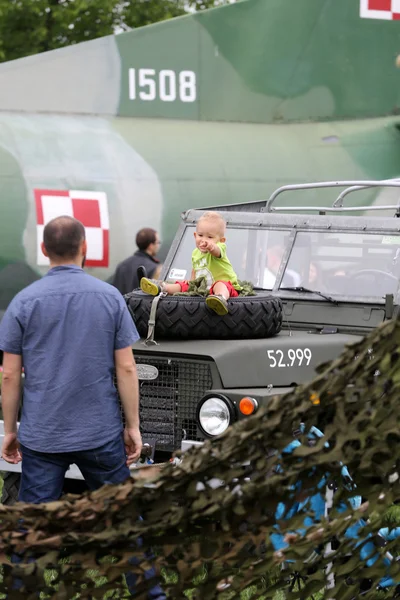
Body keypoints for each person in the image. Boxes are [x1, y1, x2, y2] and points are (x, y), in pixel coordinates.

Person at [0, 215, 165, 599]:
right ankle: (150, 594)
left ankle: (22, 593)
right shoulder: (109, 297)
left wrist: (11, 430)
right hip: (100, 434)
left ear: (44, 251)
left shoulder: (23, 302)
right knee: (125, 522)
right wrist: (133, 426)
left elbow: (9, 375)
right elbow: (126, 366)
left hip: (43, 437)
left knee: (32, 529)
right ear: (84, 247)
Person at [140, 211, 240, 316]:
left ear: (221, 240)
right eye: (200, 235)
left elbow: (217, 251)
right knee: (184, 285)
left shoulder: (221, 247)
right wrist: (191, 285)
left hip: (227, 288)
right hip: (204, 288)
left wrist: (212, 247)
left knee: (220, 284)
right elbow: (195, 270)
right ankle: (162, 287)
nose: (204, 240)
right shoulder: (195, 253)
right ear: (195, 235)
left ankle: (221, 299)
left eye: (210, 237)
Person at [112, 228, 162, 295]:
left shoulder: (121, 265)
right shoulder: (155, 269)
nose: (158, 246)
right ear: (150, 246)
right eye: (158, 242)